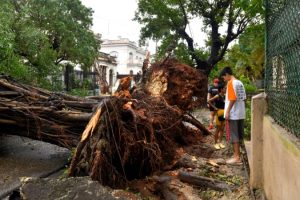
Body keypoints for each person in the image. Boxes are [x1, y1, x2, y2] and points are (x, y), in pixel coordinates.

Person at [219, 66, 246, 164]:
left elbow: (233, 98)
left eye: (223, 77)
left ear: (226, 74)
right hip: (241, 112)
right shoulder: (239, 83)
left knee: (234, 136)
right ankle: (238, 155)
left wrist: (227, 112)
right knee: (239, 135)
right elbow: (243, 98)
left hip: (233, 114)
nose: (224, 79)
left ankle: (236, 157)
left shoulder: (231, 83)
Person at [208, 83, 226, 150]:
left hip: (224, 112)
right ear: (221, 89)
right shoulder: (217, 96)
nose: (225, 89)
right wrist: (214, 107)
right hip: (219, 112)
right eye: (224, 88)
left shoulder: (224, 96)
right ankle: (215, 143)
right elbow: (209, 101)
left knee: (222, 129)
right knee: (218, 129)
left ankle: (220, 142)